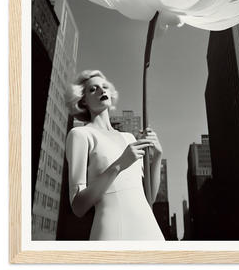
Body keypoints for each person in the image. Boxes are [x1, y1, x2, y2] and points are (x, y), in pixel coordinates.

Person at [64, 69, 165, 240]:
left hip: (150, 230)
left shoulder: (129, 138)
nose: (102, 90)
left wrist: (158, 156)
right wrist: (119, 165)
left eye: (104, 87)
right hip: (113, 231)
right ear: (84, 101)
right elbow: (78, 207)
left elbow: (149, 199)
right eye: (93, 89)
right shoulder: (80, 135)